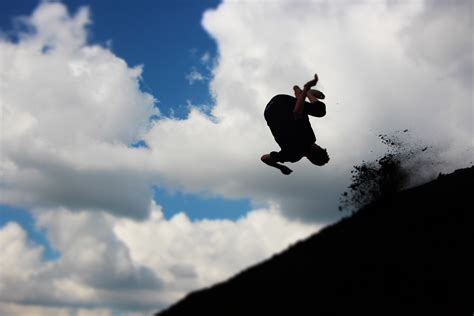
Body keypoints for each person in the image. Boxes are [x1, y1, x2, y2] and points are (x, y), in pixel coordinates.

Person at [261, 74, 329, 175]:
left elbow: (297, 112)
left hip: (281, 101)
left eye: (319, 147)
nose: (317, 145)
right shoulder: (292, 157)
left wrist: (307, 88)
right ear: (310, 159)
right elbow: (264, 158)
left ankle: (306, 93)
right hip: (268, 112)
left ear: (317, 149)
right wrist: (281, 167)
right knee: (301, 117)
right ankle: (300, 93)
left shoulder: (309, 139)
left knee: (320, 111)